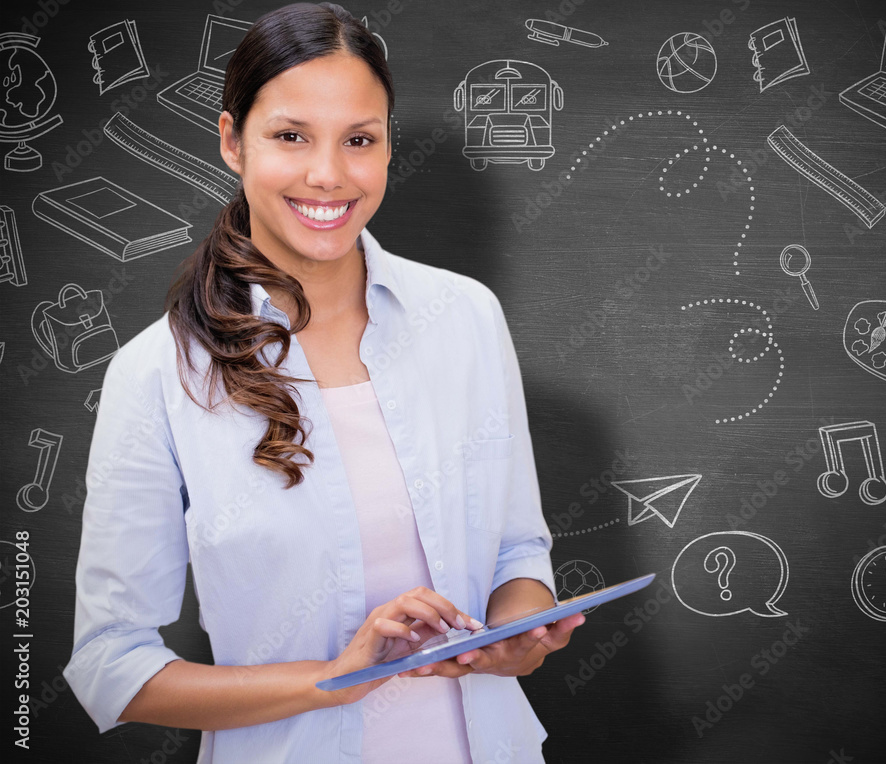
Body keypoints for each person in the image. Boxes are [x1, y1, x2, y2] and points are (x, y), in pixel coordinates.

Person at [63, 3, 584, 762]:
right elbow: (113, 666)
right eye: (290, 136)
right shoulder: (158, 374)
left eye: (360, 140)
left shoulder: (465, 317)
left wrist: (518, 640)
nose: (329, 175)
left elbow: (517, 553)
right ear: (232, 142)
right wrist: (333, 677)